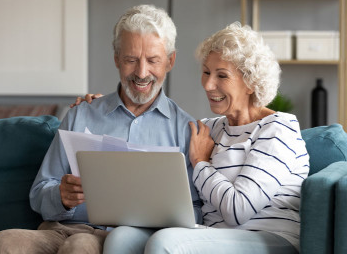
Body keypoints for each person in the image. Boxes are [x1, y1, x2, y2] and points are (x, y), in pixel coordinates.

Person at [77, 22, 310, 253]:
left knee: (165, 242)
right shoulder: (209, 129)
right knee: (121, 238)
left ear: (250, 82)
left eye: (222, 75)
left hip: (268, 239)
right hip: (210, 235)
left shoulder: (278, 129)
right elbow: (154, 134)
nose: (208, 85)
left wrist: (201, 163)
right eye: (206, 72)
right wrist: (98, 106)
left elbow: (239, 210)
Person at [0, 4, 202, 254]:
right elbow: (39, 192)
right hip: (59, 228)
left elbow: (195, 210)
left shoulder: (184, 129)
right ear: (116, 59)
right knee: (3, 242)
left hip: (120, 239)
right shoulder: (82, 113)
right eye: (131, 60)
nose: (142, 73)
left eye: (153, 60)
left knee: (79, 246)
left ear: (170, 61)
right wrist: (61, 196)